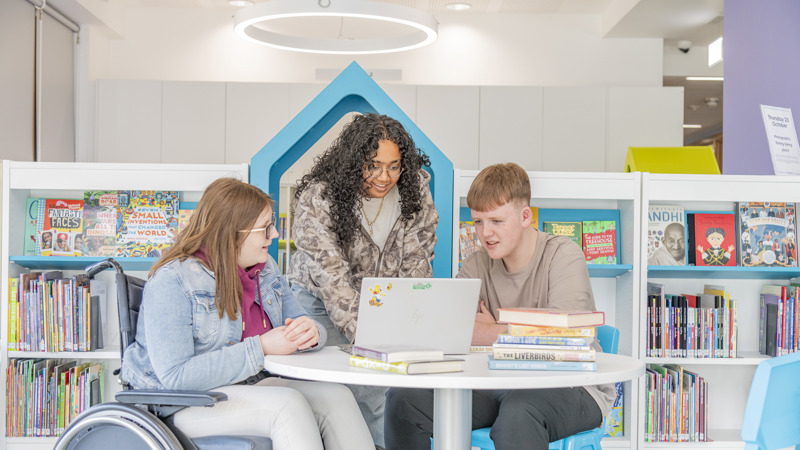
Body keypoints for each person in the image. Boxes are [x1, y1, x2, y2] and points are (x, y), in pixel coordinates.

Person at [121, 178, 373, 450]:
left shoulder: (266, 268)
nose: (274, 234)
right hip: (181, 403)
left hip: (245, 385)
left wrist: (311, 333)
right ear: (233, 233)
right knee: (287, 406)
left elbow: (302, 321)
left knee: (337, 397)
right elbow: (176, 377)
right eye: (265, 229)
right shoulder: (172, 281)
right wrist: (261, 348)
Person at [384, 163, 615, 450]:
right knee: (403, 400)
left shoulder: (564, 255)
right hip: (498, 382)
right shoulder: (475, 264)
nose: (485, 233)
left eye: (496, 221)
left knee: (518, 414)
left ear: (525, 216)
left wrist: (490, 329)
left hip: (572, 384)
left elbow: (566, 337)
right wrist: (522, 329)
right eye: (478, 221)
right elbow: (448, 331)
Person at [288, 113, 439, 447]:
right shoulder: (320, 198)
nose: (384, 177)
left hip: (381, 304)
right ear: (354, 161)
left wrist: (410, 332)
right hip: (317, 304)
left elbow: (416, 268)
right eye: (373, 165)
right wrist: (378, 344)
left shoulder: (416, 193)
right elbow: (333, 281)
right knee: (347, 389)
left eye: (394, 166)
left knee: (391, 390)